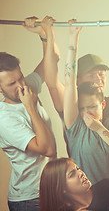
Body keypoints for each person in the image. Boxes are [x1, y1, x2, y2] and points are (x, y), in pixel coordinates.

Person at [59, 19, 109, 184]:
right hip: (89, 200)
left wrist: (100, 130)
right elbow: (69, 82)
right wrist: (73, 40)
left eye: (92, 107)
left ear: (103, 104)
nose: (87, 113)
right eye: (82, 108)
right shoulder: (75, 127)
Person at [0, 16, 57, 211]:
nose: (21, 86)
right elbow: (47, 149)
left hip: (50, 189)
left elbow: (50, 61)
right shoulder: (5, 119)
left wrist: (43, 35)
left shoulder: (26, 87)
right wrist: (31, 108)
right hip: (28, 199)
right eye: (11, 84)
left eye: (21, 77)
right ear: (0, 89)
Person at [40, 157, 109, 211]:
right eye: (72, 174)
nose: (81, 173)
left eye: (78, 168)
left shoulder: (108, 186)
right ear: (61, 188)